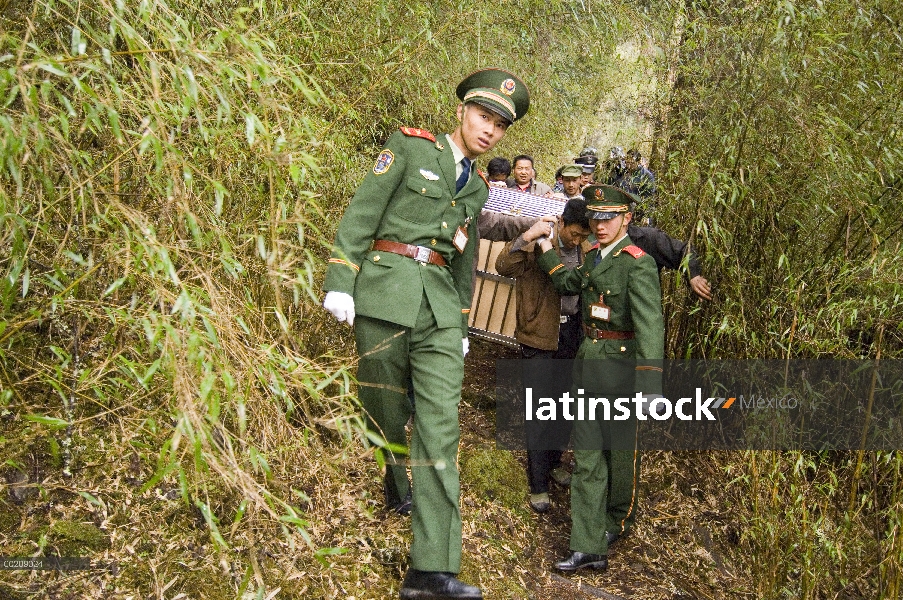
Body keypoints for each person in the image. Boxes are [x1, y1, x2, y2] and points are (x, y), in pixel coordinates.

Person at [322, 67, 530, 600]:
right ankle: (395, 482)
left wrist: (462, 323)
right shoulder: (410, 149)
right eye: (483, 116)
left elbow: (462, 263)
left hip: (438, 311)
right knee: (385, 408)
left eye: (500, 126)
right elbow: (360, 215)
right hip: (386, 294)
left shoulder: (479, 188)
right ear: (461, 111)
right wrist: (341, 280)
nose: (489, 130)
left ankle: (432, 568)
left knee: (440, 428)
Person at [535, 185, 664, 574]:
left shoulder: (637, 262)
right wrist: (547, 255)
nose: (600, 225)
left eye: (609, 217)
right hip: (589, 362)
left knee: (620, 453)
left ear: (626, 218)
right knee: (589, 457)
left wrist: (650, 385)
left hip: (622, 369)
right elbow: (570, 285)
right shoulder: (591, 254)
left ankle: (619, 518)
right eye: (595, 217)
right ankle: (588, 544)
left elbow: (650, 325)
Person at [495, 197, 592, 513]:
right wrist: (525, 237)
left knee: (564, 407)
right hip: (539, 333)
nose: (576, 240)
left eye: (582, 236)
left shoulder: (586, 248)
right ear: (561, 222)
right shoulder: (540, 240)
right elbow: (502, 265)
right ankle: (537, 484)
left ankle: (552, 463)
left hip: (573, 335)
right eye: (574, 234)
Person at [619, 149, 657, 224]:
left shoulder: (646, 176)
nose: (629, 165)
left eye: (632, 163)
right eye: (627, 162)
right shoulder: (622, 173)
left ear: (638, 162)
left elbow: (649, 198)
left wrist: (647, 216)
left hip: (639, 212)